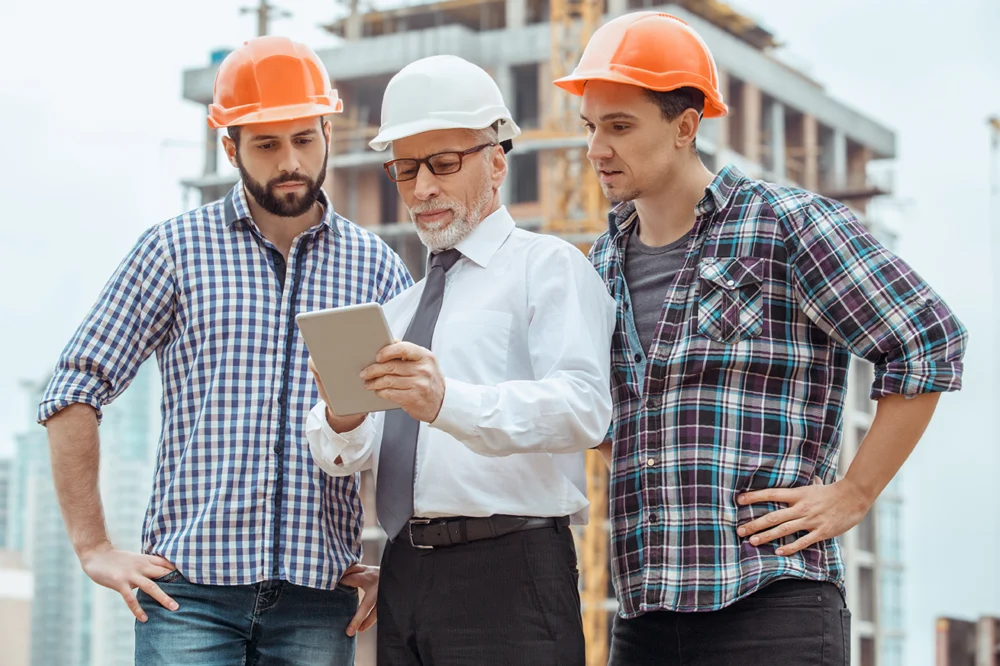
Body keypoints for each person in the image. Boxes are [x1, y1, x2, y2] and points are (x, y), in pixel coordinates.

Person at [552, 11, 969, 665]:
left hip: (773, 603)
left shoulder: (787, 225)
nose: (596, 149)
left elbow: (929, 340)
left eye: (620, 126)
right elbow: (608, 421)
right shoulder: (598, 264)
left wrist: (853, 493)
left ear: (686, 126)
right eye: (591, 127)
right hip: (648, 615)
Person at [37, 36, 411, 665]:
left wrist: (385, 558)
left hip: (318, 601)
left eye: (303, 138)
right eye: (266, 144)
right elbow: (73, 388)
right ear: (230, 147)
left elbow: (400, 431)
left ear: (327, 130)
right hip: (188, 599)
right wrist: (94, 548)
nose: (290, 160)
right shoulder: (174, 251)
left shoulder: (376, 267)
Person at [305, 54, 615, 666]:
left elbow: (585, 409)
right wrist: (342, 417)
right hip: (402, 572)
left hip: (510, 574)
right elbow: (355, 454)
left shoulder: (547, 268)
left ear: (497, 160)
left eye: (444, 164)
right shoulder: (397, 309)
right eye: (404, 170)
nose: (422, 190)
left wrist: (447, 402)